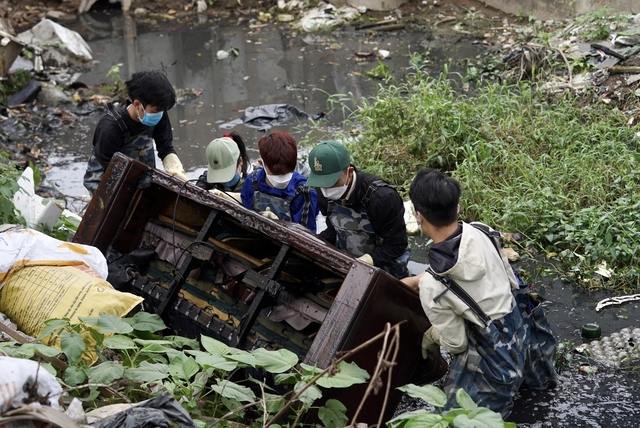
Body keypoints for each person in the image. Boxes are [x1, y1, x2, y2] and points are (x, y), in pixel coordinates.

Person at [401, 168, 556, 418]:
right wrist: (421, 278)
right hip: (527, 339)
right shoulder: (482, 230)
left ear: (418, 216)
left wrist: (433, 334)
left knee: (455, 421)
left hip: (497, 364)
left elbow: (457, 344)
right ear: (458, 207)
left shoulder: (433, 287)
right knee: (535, 404)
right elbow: (484, 271)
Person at [305, 140, 410, 279]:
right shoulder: (321, 192)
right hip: (349, 266)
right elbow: (333, 229)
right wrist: (314, 242)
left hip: (386, 270)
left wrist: (368, 260)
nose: (327, 190)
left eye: (333, 182)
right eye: (322, 183)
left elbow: (397, 244)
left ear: (349, 172)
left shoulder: (382, 198)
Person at [83, 70, 187, 195]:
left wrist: (179, 175)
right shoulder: (110, 128)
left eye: (162, 111)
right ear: (137, 104)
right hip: (106, 179)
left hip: (140, 176)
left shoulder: (158, 113)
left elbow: (165, 148)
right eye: (155, 111)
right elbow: (111, 171)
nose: (159, 115)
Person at [240, 131, 319, 232]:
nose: (280, 177)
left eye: (285, 173)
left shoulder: (304, 192)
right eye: (275, 173)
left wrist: (280, 225)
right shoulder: (252, 181)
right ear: (261, 163)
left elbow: (307, 234)